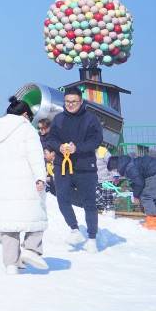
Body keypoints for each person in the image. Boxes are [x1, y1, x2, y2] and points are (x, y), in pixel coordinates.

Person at [0, 98, 50, 273]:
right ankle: (31, 249)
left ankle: (11, 264)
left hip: (0, 179)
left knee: (8, 223)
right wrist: (40, 177)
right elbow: (35, 156)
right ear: (24, 114)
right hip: (24, 177)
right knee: (36, 215)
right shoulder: (26, 129)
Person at [48, 87, 104, 248]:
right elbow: (51, 138)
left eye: (74, 102)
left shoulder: (91, 119)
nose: (70, 105)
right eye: (67, 102)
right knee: (62, 198)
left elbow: (96, 140)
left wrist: (77, 148)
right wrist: (59, 147)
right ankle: (74, 229)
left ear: (81, 101)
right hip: (62, 165)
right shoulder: (58, 119)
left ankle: (92, 238)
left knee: (89, 202)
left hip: (85, 166)